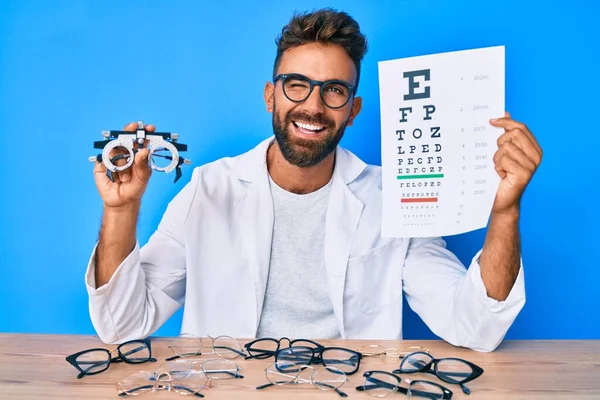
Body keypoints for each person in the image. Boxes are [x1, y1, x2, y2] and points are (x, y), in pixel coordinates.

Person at [86, 8, 542, 352]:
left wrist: (504, 211)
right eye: (296, 84)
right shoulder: (209, 189)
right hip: (228, 388)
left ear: (352, 111)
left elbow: (475, 328)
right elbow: (121, 325)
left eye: (334, 90)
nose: (313, 106)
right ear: (271, 96)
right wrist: (121, 211)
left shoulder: (394, 198)